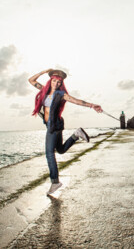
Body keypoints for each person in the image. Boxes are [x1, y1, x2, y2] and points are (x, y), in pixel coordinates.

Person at [28, 68, 103, 196]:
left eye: (59, 82)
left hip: (54, 127)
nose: (56, 83)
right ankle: (76, 135)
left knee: (49, 154)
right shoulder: (44, 90)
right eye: (54, 81)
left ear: (61, 83)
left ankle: (55, 182)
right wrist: (43, 71)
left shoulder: (61, 94)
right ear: (50, 80)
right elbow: (31, 80)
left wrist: (92, 105)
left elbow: (76, 101)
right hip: (53, 125)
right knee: (61, 150)